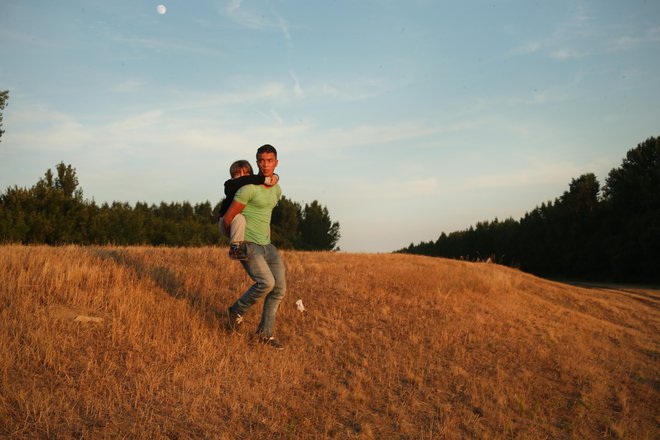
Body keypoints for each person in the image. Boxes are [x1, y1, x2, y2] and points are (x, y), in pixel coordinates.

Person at [223, 144, 286, 349]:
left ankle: (264, 335)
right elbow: (229, 218)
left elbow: (266, 216)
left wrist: (268, 239)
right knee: (266, 283)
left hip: (267, 245)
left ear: (276, 162)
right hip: (248, 244)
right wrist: (234, 241)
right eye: (261, 160)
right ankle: (236, 311)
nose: (265, 164)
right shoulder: (248, 188)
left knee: (279, 289)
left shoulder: (277, 190)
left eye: (269, 160)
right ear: (257, 162)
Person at [218, 160, 279, 260]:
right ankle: (235, 250)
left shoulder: (253, 184)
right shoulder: (229, 185)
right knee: (239, 218)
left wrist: (274, 177)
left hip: (243, 227)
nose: (243, 176)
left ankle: (266, 246)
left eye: (246, 173)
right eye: (238, 174)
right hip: (226, 222)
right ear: (232, 177)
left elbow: (253, 180)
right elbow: (243, 181)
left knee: (263, 220)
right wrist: (267, 178)